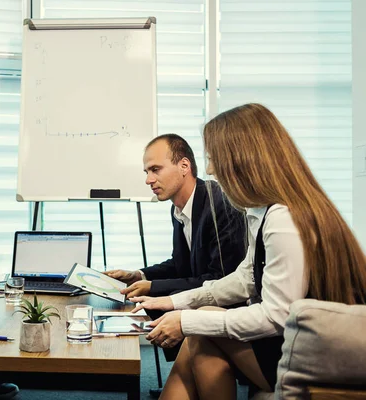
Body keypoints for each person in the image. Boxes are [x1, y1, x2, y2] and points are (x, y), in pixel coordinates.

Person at [131, 103, 366, 400]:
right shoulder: (264, 212)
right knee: (202, 338)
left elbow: (277, 316)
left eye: (214, 159)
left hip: (316, 354)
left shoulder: (283, 220)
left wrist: (187, 320)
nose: (212, 170)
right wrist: (174, 302)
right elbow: (244, 280)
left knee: (202, 330)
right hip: (294, 340)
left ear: (241, 160)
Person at [105, 134, 246, 300]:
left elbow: (221, 279)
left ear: (184, 166)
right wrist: (138, 275)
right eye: (147, 172)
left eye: (156, 169)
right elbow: (180, 265)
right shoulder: (178, 209)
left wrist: (153, 287)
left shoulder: (220, 205)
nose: (148, 180)